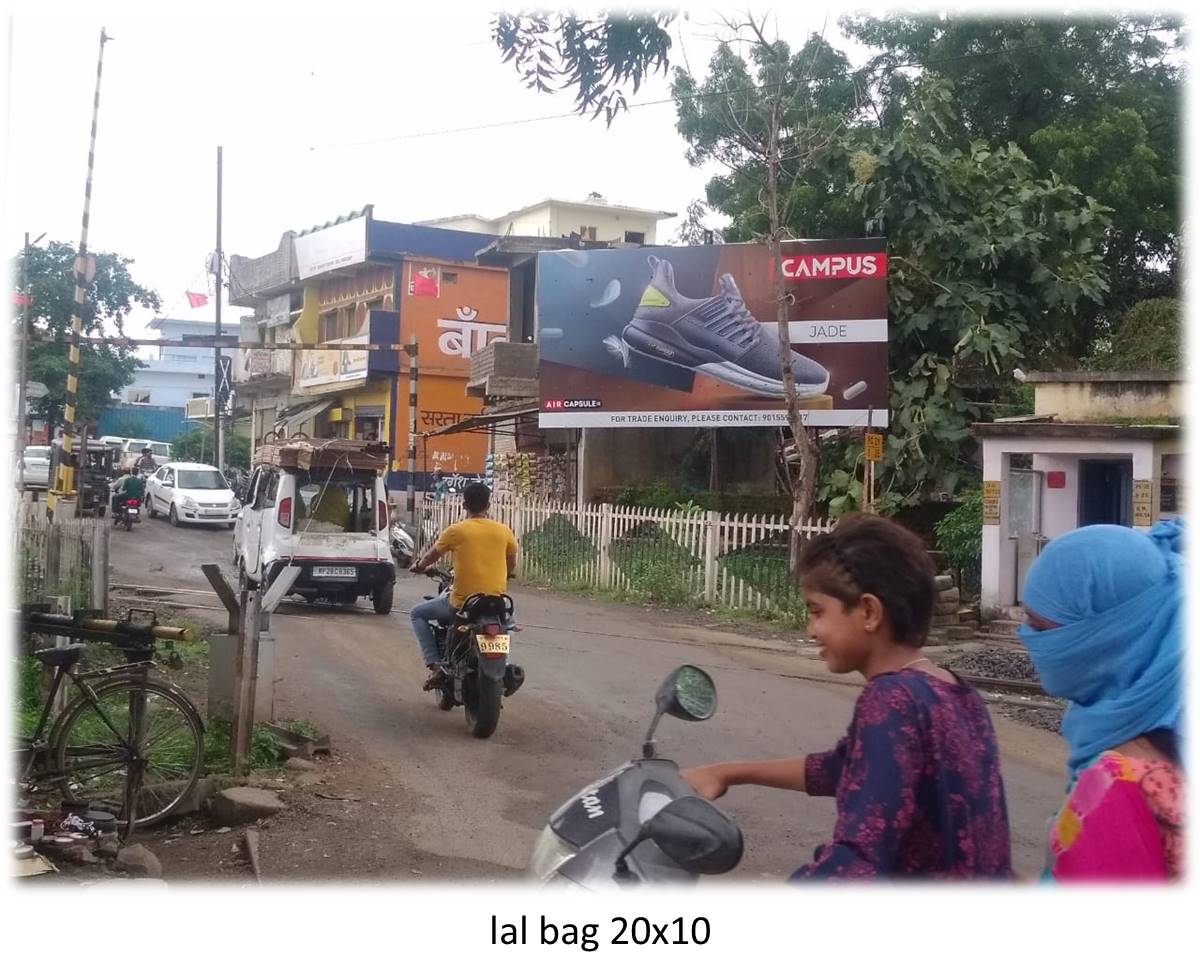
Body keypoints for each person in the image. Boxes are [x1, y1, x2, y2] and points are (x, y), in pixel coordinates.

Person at [681, 513, 1012, 880]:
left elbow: (860, 859)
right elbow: (842, 768)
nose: (810, 630)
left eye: (817, 612)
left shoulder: (892, 699)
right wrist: (726, 773)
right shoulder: (956, 693)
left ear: (869, 612)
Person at [1018, 519, 1183, 882]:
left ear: (1109, 636)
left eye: (1040, 628)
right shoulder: (1136, 726)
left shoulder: (1127, 775)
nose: (1025, 638)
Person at [409, 481, 517, 690]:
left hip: (462, 603)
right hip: (496, 603)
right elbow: (511, 563)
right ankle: (504, 663)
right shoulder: (504, 531)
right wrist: (508, 574)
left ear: (464, 505)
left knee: (417, 614)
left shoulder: (456, 531)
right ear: (488, 505)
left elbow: (432, 556)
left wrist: (420, 566)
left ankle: (435, 666)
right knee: (509, 624)